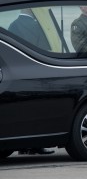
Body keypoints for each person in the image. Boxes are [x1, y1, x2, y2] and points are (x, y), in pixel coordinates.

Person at [8, 8, 54, 156]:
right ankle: (37, 145)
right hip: (38, 74)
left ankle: (23, 146)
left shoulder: (13, 25)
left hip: (18, 75)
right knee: (39, 110)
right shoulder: (37, 26)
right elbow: (46, 49)